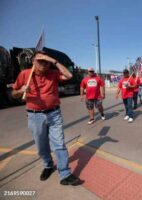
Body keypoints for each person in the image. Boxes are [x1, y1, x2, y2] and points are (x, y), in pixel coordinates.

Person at [12, 51, 81, 185]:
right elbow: (13, 93)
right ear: (33, 62)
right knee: (41, 145)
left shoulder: (53, 74)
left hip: (54, 114)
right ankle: (48, 165)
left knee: (59, 144)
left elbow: (69, 75)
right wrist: (20, 91)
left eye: (46, 62)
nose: (44, 64)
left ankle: (64, 173)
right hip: (35, 115)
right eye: (40, 61)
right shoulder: (25, 74)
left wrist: (52, 60)